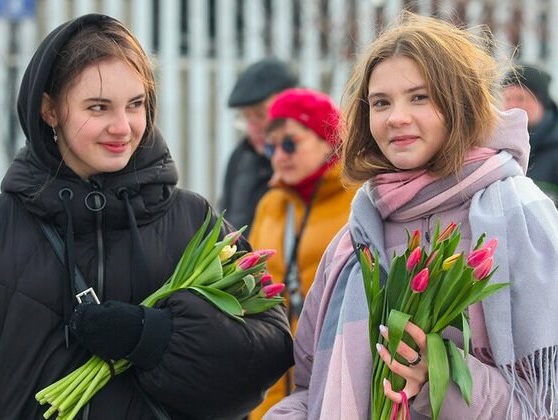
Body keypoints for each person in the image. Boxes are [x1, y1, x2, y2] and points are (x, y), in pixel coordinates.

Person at [0, 14, 293, 419]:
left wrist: (155, 338)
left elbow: (266, 352)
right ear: (50, 110)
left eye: (136, 105)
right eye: (99, 107)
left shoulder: (193, 221)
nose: (122, 127)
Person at [267, 11, 558, 419]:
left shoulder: (518, 217)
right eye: (381, 103)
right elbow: (309, 387)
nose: (396, 117)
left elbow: (543, 401)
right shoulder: (357, 237)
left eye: (419, 97)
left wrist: (437, 379)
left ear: (460, 103)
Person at [248, 88, 360, 418]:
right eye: (271, 146)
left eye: (290, 142)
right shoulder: (271, 204)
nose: (279, 155)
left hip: (333, 380)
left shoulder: (358, 201)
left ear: (328, 140)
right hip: (269, 386)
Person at [219, 57, 298, 235]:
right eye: (246, 117)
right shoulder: (240, 157)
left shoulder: (306, 158)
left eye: (261, 115)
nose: (253, 128)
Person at [502, 64, 558, 202]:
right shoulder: (497, 148)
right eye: (508, 99)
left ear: (542, 102)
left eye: (521, 98)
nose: (513, 106)